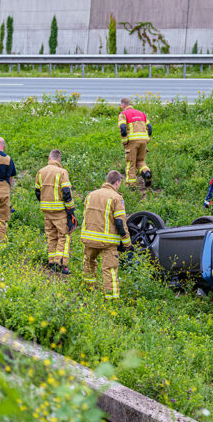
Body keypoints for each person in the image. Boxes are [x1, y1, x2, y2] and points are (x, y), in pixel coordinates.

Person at [81, 170, 132, 300]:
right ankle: (112, 298)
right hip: (107, 241)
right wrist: (127, 243)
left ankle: (87, 290)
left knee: (89, 263)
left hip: (89, 238)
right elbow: (120, 223)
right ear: (117, 182)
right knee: (110, 269)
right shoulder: (116, 198)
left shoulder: (90, 195)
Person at [35, 149, 77, 274]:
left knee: (51, 236)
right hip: (59, 211)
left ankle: (52, 262)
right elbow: (66, 192)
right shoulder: (62, 172)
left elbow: (37, 192)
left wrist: (45, 203)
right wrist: (71, 210)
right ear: (59, 160)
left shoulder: (41, 172)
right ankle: (61, 263)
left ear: (49, 158)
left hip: (46, 211)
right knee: (65, 236)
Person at [118, 97, 152, 187]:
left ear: (123, 105)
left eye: (121, 105)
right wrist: (147, 139)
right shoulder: (141, 114)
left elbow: (123, 128)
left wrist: (125, 141)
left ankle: (131, 185)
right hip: (144, 141)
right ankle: (147, 173)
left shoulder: (123, 114)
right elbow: (150, 128)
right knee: (140, 161)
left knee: (131, 163)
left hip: (132, 142)